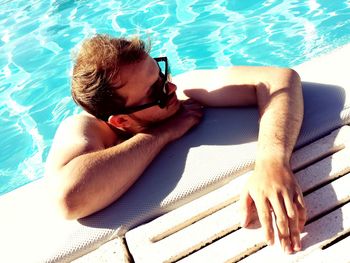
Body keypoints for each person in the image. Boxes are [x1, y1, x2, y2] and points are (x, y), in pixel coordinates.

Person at [45, 34, 307, 254]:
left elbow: (279, 80)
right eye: (155, 91)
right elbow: (70, 198)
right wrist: (162, 133)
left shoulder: (177, 91)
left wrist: (272, 162)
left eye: (161, 74)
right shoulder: (84, 128)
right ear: (122, 121)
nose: (170, 87)